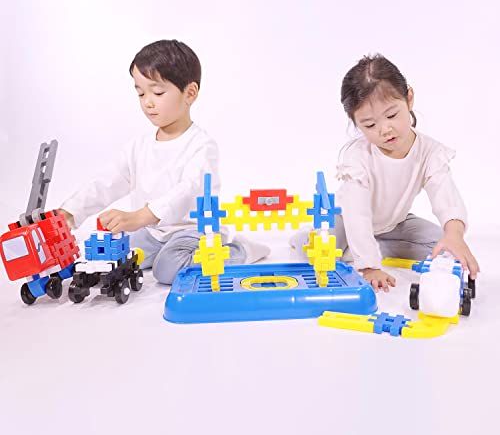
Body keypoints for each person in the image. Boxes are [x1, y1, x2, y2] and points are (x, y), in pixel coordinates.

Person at [59, 39, 269, 284]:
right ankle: (158, 253)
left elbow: (187, 190)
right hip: (153, 232)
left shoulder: (201, 145)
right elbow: (107, 181)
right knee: (118, 256)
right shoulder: (139, 146)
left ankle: (240, 250)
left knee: (168, 270)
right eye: (140, 93)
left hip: (192, 232)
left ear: (190, 93)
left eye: (157, 92)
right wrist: (70, 212)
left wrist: (140, 216)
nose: (147, 102)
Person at [291, 53, 479, 292]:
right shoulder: (358, 157)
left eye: (391, 115)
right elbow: (357, 214)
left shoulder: (430, 151)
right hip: (346, 221)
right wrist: (369, 267)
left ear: (409, 98)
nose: (385, 129)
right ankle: (344, 247)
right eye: (370, 125)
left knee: (440, 244)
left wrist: (454, 234)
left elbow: (446, 195)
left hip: (394, 223)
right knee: (320, 251)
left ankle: (367, 249)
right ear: (356, 123)